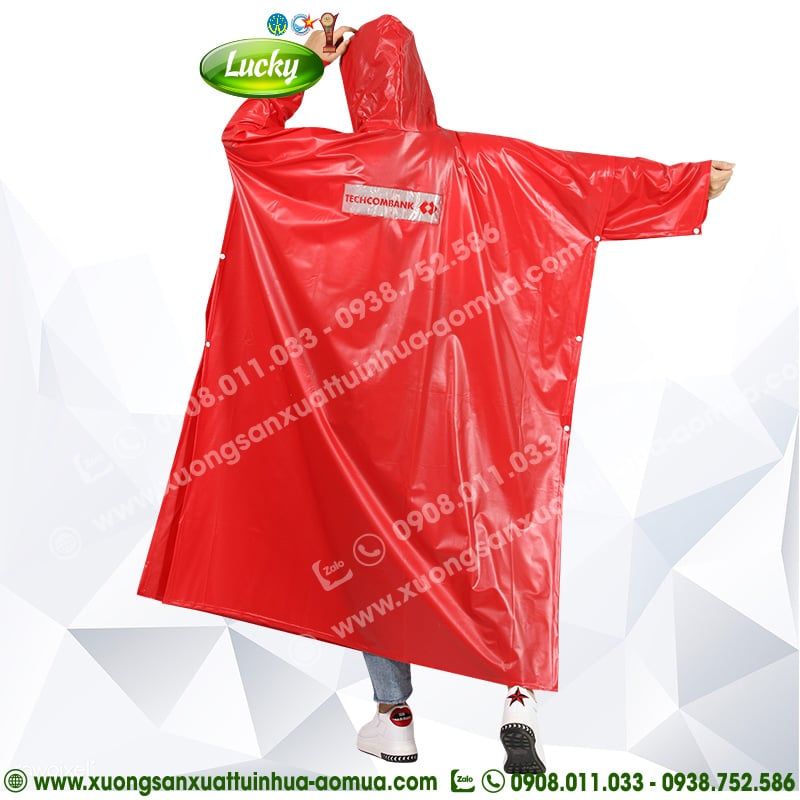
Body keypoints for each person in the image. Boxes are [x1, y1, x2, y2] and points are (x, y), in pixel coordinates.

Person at [303, 24, 735, 774]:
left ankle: (394, 714)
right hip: (470, 398)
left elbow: (245, 145)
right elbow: (577, 183)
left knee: (376, 550)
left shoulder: (330, 168)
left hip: (364, 408)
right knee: (497, 526)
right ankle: (516, 697)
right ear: (418, 81)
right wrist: (684, 183)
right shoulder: (480, 163)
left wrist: (300, 67)